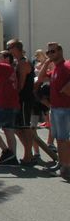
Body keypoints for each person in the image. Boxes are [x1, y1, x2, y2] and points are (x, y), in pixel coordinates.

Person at [35, 42, 70, 180]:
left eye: (53, 51)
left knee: (63, 139)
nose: (50, 54)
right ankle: (63, 164)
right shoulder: (56, 68)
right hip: (55, 108)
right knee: (59, 139)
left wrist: (66, 89)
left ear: (60, 51)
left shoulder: (66, 65)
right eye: (48, 52)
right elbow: (41, 78)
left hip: (64, 108)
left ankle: (65, 167)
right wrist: (47, 61)